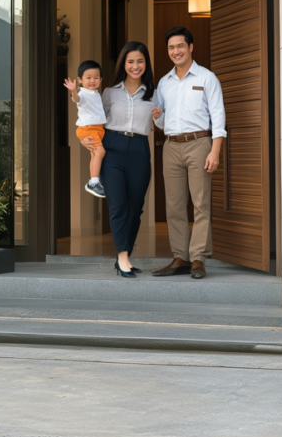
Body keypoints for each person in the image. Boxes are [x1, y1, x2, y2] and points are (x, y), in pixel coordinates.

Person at [151, 26, 226, 280]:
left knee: (200, 204)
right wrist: (158, 119)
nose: (176, 51)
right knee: (173, 205)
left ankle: (197, 259)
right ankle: (179, 257)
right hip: (171, 146)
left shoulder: (207, 78)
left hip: (200, 144)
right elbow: (161, 122)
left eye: (180, 46)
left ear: (190, 47)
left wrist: (215, 151)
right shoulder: (164, 82)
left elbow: (218, 118)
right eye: (171, 47)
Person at [92, 42, 157, 278]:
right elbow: (94, 117)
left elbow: (161, 124)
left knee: (135, 207)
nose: (135, 66)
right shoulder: (110, 92)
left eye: (140, 61)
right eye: (130, 61)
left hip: (140, 148)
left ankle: (125, 254)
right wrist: (87, 139)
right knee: (118, 204)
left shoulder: (153, 93)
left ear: (146, 64)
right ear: (123, 64)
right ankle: (122, 257)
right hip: (113, 147)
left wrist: (158, 118)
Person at [63, 60, 107, 198]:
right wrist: (73, 90)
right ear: (80, 80)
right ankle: (93, 182)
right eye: (88, 78)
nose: (92, 81)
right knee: (100, 152)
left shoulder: (96, 93)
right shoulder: (83, 93)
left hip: (97, 128)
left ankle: (94, 181)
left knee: (95, 154)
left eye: (96, 77)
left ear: (100, 80)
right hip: (89, 128)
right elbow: (76, 99)